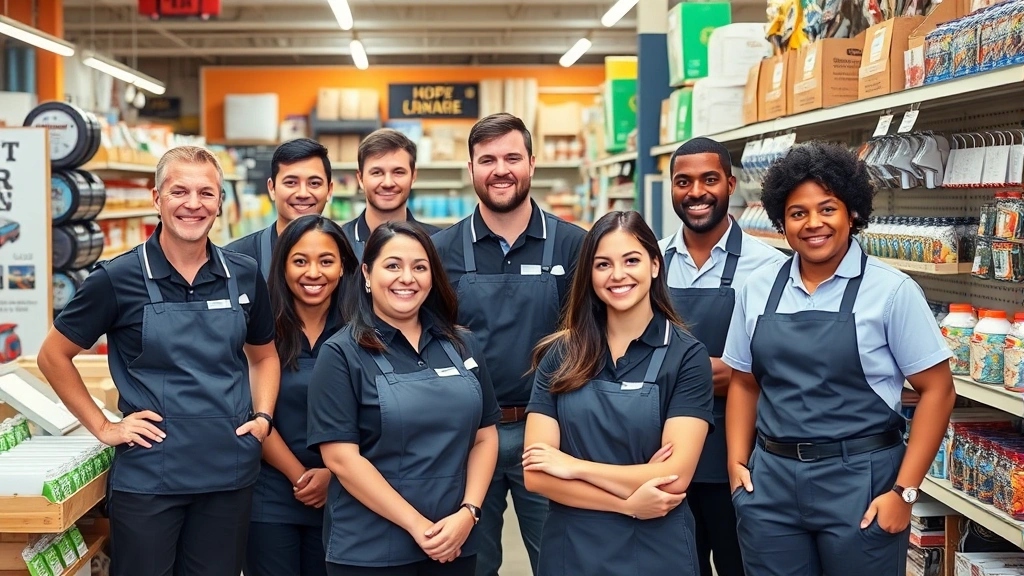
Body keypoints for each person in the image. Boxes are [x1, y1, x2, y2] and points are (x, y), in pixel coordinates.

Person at [37, 146, 280, 576]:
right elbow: (54, 355)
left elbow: (263, 357)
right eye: (179, 191)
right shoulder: (117, 278)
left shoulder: (243, 274)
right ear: (156, 198)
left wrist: (262, 417)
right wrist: (104, 426)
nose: (193, 204)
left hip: (229, 474)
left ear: (220, 202)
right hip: (150, 477)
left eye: (206, 193)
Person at [722, 142, 956, 576]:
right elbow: (743, 381)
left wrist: (904, 493)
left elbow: (938, 390)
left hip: (862, 484)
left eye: (827, 209)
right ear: (782, 221)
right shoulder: (756, 288)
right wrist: (737, 464)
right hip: (771, 484)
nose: (814, 224)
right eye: (798, 213)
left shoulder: (891, 291)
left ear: (851, 212)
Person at [431, 112, 586, 576]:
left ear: (532, 163)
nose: (501, 169)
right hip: (468, 436)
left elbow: (590, 340)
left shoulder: (573, 245)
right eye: (487, 160)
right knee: (472, 563)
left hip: (551, 432)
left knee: (559, 558)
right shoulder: (441, 251)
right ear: (472, 169)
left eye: (512, 157)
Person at [522, 210, 713, 575]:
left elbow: (674, 477)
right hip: (573, 548)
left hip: (657, 548)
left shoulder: (685, 356)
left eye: (631, 260)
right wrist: (628, 502)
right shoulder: (561, 354)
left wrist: (572, 466)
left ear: (655, 265)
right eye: (603, 264)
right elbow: (538, 475)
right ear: (589, 275)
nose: (618, 275)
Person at [307, 221, 501, 576]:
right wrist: (418, 526)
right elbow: (341, 459)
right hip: (371, 550)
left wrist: (468, 512)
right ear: (366, 274)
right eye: (393, 265)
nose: (407, 278)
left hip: (455, 541)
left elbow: (486, 436)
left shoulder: (461, 344)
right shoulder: (341, 353)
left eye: (420, 267)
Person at [657, 137, 785, 576]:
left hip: (739, 453)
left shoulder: (769, 266)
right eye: (683, 181)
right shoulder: (648, 261)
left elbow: (779, 363)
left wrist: (739, 373)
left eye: (709, 179)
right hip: (662, 452)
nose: (696, 192)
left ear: (730, 184)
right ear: (671, 189)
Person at [245, 215, 359, 576]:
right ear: (282, 266)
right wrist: (299, 476)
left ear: (343, 267)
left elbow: (374, 415)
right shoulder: (259, 329)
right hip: (271, 495)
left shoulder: (363, 332)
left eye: (326, 261)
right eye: (300, 261)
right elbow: (251, 411)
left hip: (346, 492)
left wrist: (330, 473)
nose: (314, 273)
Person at [228, 138, 334, 278]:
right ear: (272, 188)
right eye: (291, 183)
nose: (302, 193)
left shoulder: (346, 254)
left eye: (314, 183)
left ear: (329, 190)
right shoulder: (236, 259)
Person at [342, 128, 441, 260]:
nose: (388, 183)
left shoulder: (438, 243)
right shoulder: (339, 243)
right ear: (360, 179)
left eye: (398, 172)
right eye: (377, 172)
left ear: (413, 176)